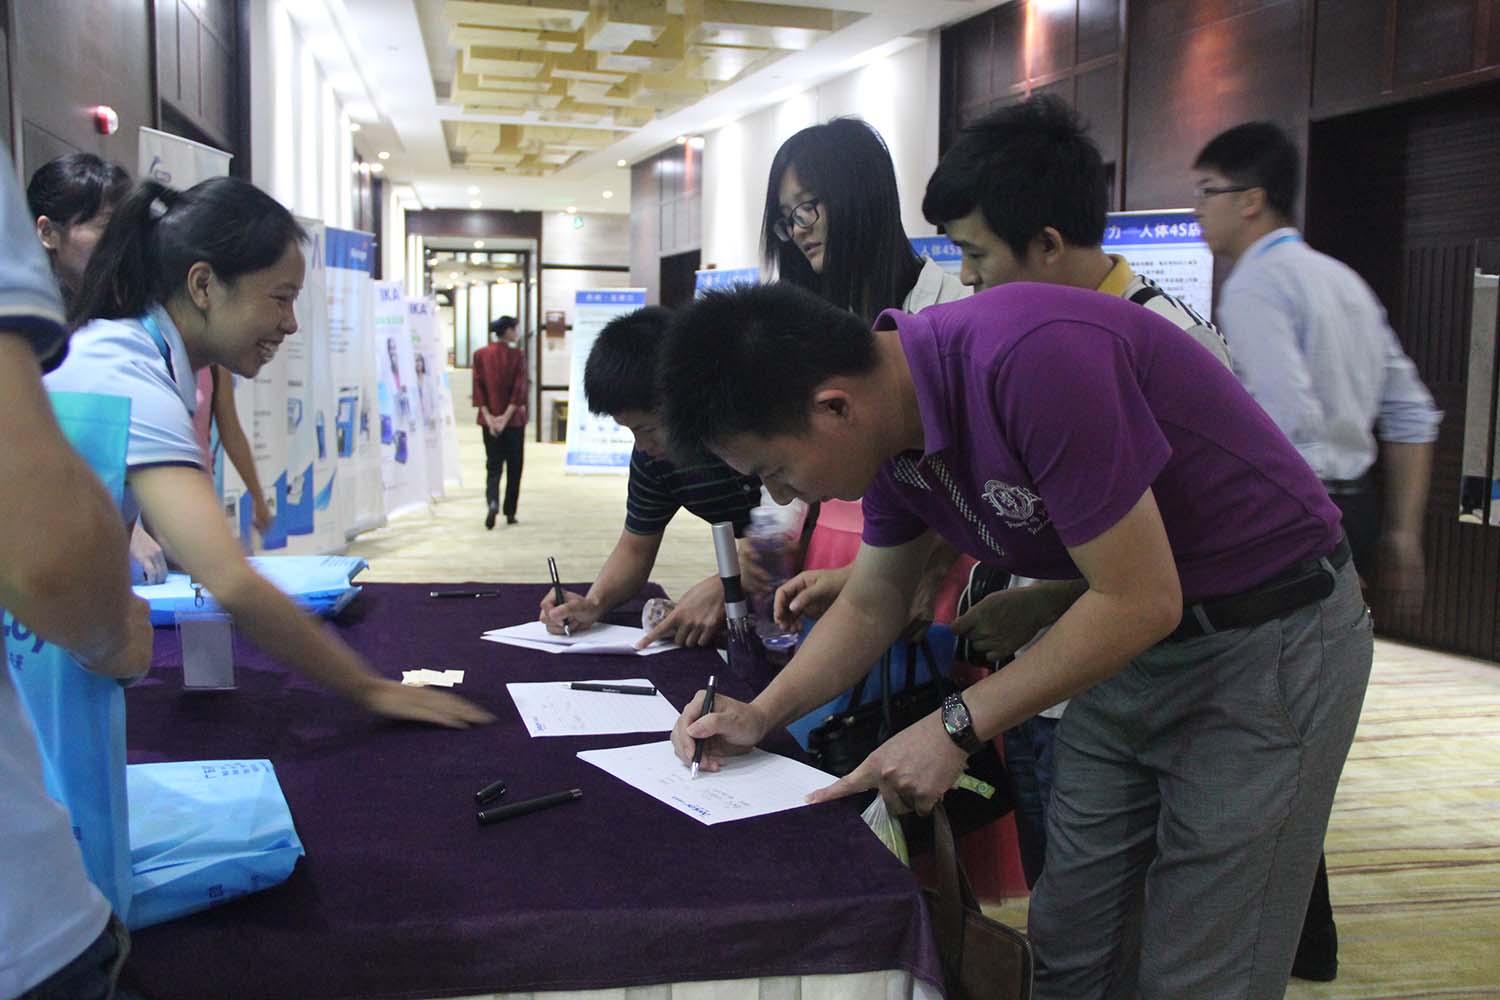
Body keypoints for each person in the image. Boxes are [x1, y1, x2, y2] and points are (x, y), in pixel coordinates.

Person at [659, 282, 1372, 999]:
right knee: (1073, 942)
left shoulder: (1029, 361)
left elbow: (1139, 599)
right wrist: (761, 712)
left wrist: (952, 726)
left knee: (1202, 961)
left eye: (776, 472)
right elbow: (874, 601)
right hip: (1126, 644)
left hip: (1264, 637)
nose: (783, 496)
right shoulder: (892, 433)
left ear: (835, 407)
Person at [888, 94, 1231, 889]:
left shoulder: (1172, 345)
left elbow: (1189, 553)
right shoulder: (1012, 347)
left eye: (975, 254)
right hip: (1037, 685)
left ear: (1046, 243)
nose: (965, 279)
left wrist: (1043, 601)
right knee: (1058, 900)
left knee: (1111, 899)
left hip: (1133, 697)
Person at [46, 175, 493, 730]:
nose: (291, 323)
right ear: (204, 285)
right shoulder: (130, 376)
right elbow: (229, 580)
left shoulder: (137, 357)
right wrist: (369, 689)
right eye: (280, 298)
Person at [1193, 119, 1442, 982]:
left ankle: (1286, 936)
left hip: (1293, 518)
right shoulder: (1344, 281)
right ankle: (1309, 934)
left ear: (1251, 199)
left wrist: (1275, 531)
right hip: (1352, 507)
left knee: (1264, 727)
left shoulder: (1258, 284)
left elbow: (1283, 425)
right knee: (1303, 726)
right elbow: (1412, 413)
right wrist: (1399, 530)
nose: (1198, 211)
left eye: (1206, 193)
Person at [1, 150, 154, 998]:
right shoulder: (70, 347)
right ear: (45, 233)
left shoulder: (112, 330)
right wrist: (115, 634)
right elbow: (46, 553)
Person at [761, 116, 968, 629]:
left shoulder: (951, 310)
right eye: (786, 218)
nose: (798, 230)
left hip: (940, 561)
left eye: (807, 206)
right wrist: (768, 544)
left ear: (859, 195)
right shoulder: (809, 324)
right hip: (833, 552)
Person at [28, 153, 269, 582]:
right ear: (48, 233)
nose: (121, 242)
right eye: (105, 226)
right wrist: (129, 532)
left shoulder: (133, 315)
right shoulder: (28, 329)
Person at [539, 306, 761, 648]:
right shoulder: (654, 459)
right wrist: (594, 603)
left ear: (686, 400)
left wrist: (729, 584)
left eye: (647, 429)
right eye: (631, 431)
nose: (642, 446)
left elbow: (803, 531)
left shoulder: (761, 433)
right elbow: (635, 547)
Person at [472, 315, 526, 528]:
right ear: (508, 331)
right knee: (514, 466)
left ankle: (492, 502)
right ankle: (510, 511)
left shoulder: (480, 355)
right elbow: (519, 390)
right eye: (515, 329)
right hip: (514, 422)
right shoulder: (517, 355)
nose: (517, 333)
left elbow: (478, 389)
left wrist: (489, 417)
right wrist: (505, 418)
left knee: (493, 465)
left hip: (489, 422)